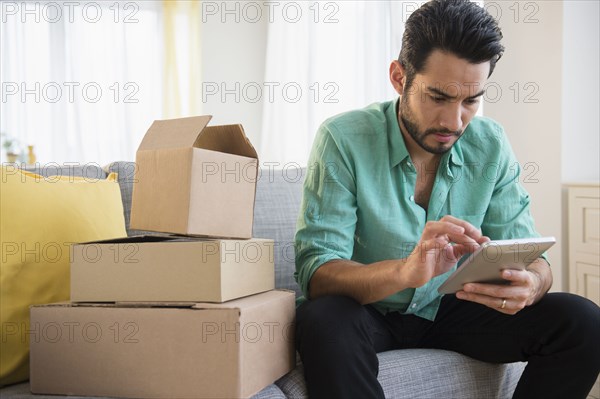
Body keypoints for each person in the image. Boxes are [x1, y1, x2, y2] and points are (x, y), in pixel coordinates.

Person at [293, 0, 600, 398]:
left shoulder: (490, 144)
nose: (454, 122)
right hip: (370, 311)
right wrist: (404, 272)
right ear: (399, 77)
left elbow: (533, 259)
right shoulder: (342, 139)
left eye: (470, 101)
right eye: (438, 97)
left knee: (582, 321)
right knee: (324, 318)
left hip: (451, 309)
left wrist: (532, 283)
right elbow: (317, 273)